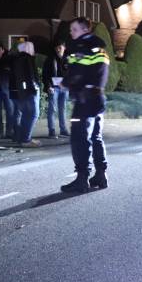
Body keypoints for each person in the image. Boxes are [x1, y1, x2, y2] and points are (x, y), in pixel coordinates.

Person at [61, 16, 111, 193]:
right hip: (97, 98)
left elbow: (77, 72)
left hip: (84, 100)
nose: (71, 33)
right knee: (96, 136)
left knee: (79, 138)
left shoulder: (81, 48)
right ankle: (101, 175)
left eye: (74, 29)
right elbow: (98, 72)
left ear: (84, 30)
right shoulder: (101, 49)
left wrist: (66, 83)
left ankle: (82, 179)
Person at [9, 41, 40, 147]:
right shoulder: (26, 58)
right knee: (33, 114)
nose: (33, 50)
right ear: (28, 48)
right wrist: (33, 88)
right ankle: (26, 139)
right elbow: (29, 76)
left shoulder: (17, 59)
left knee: (26, 115)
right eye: (32, 47)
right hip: (28, 91)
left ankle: (23, 138)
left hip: (21, 92)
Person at [43, 41, 69, 138]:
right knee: (52, 109)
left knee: (63, 109)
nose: (58, 49)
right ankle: (52, 131)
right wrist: (48, 86)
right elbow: (45, 75)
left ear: (64, 48)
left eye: (60, 47)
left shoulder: (68, 60)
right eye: (57, 48)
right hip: (54, 88)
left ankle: (63, 130)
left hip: (64, 88)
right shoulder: (50, 59)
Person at [0, 43, 15, 139]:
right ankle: (0, 132)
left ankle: (9, 132)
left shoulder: (9, 61)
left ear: (3, 50)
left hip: (7, 90)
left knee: (10, 111)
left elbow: (13, 75)